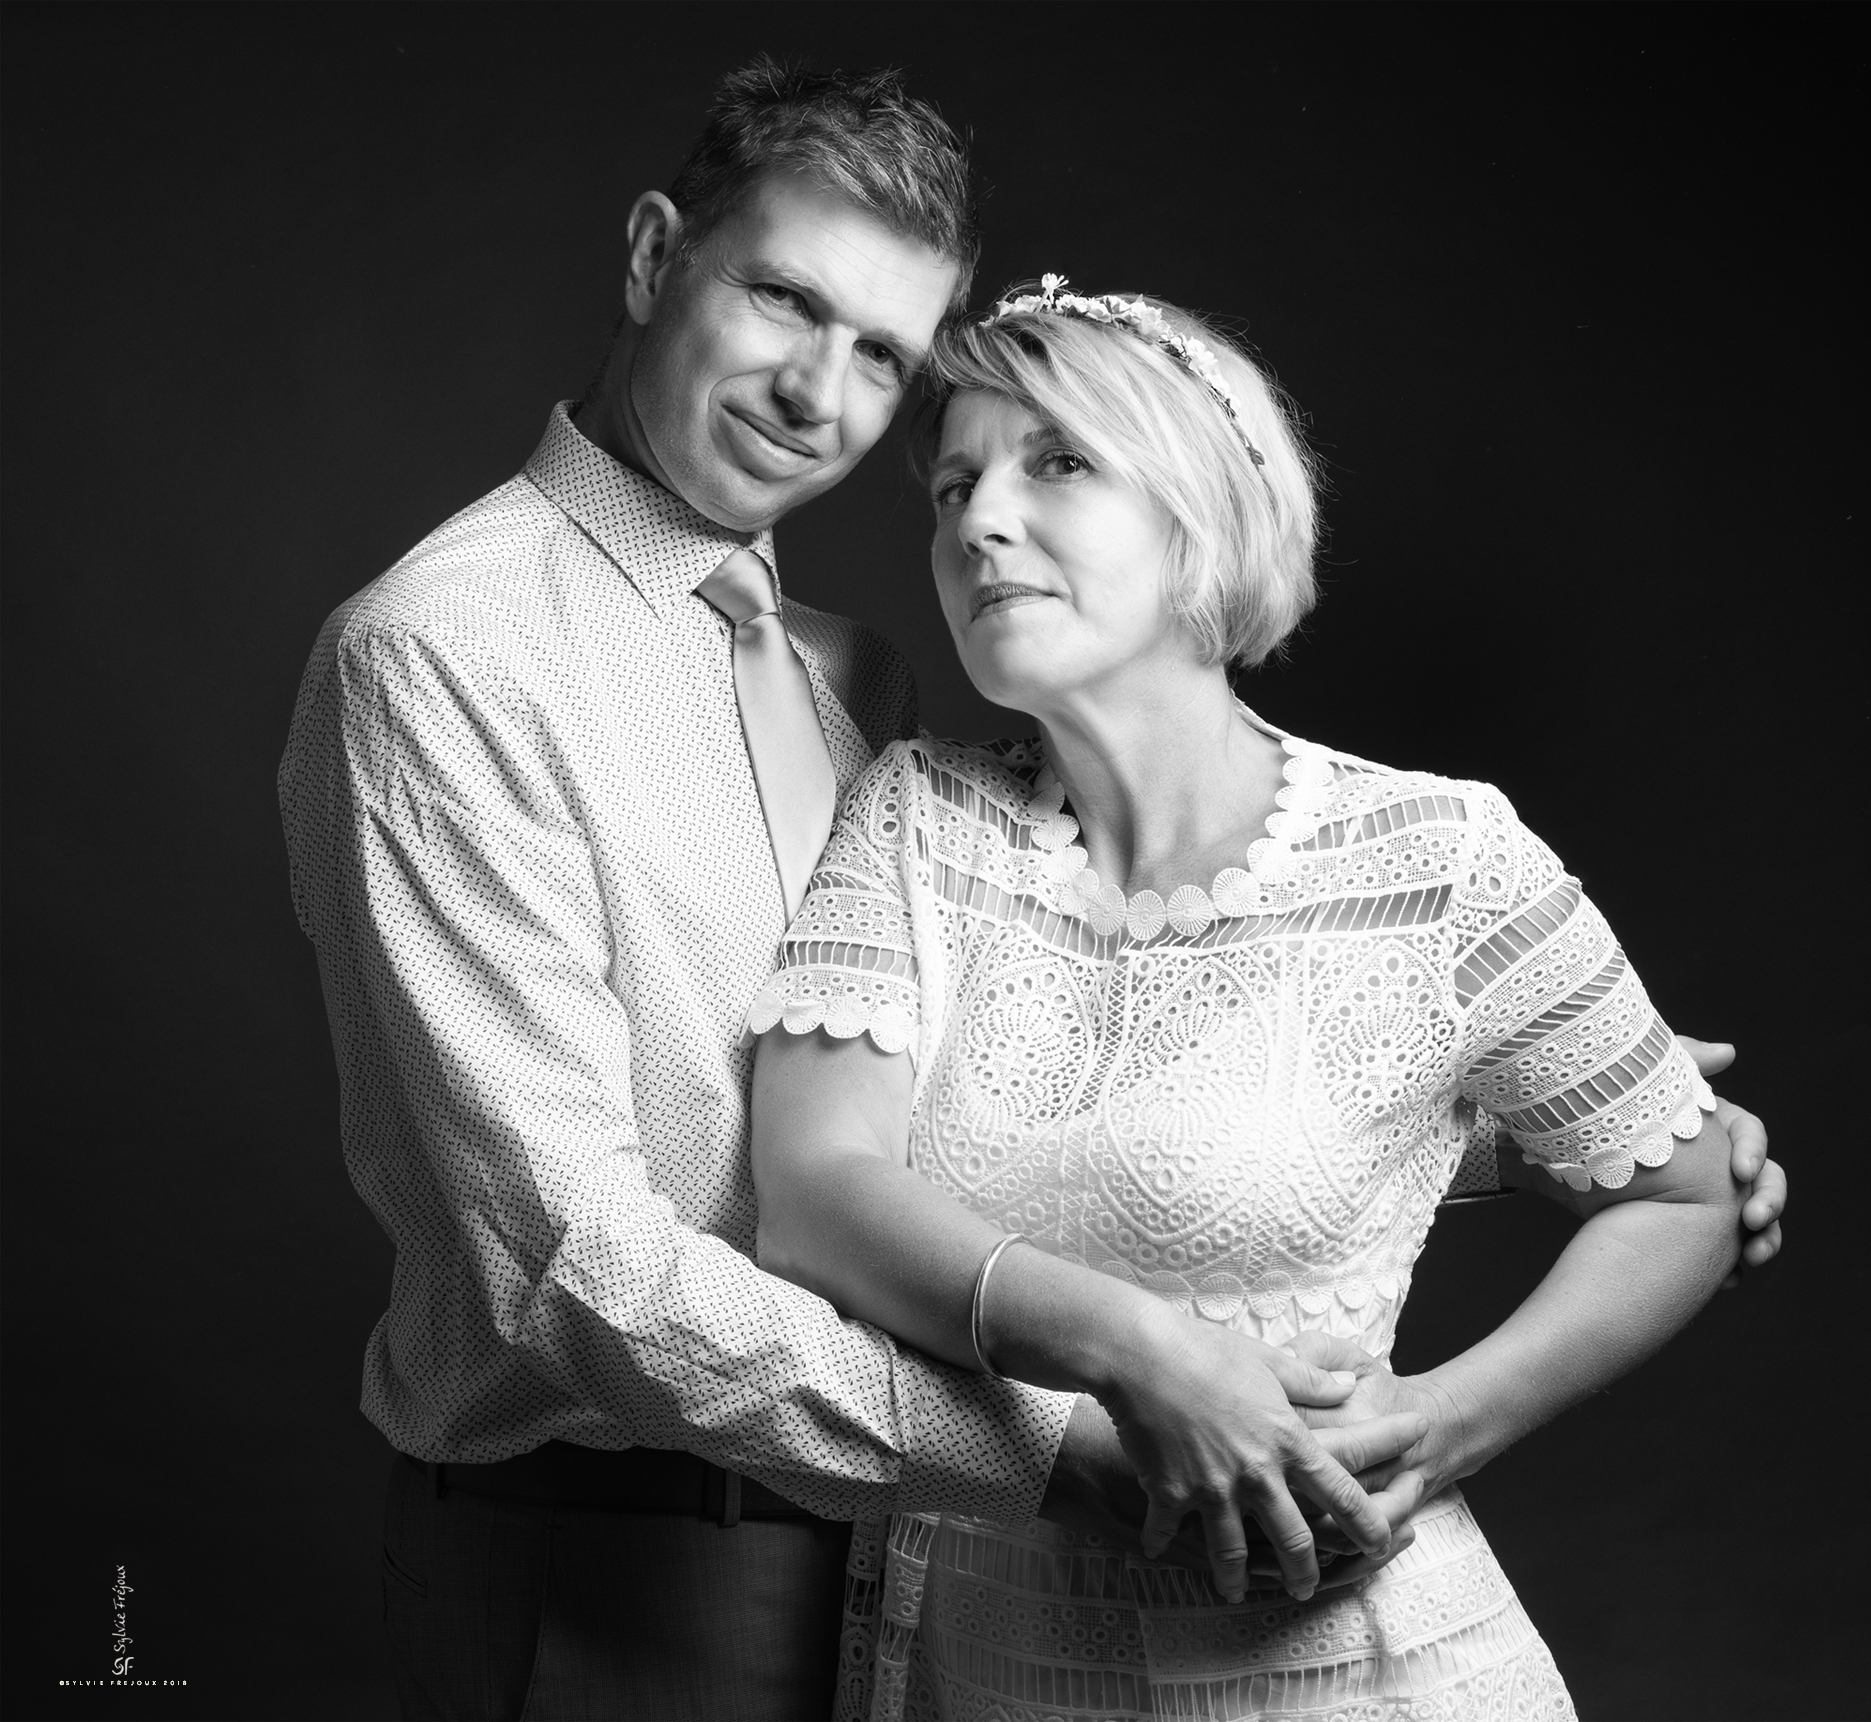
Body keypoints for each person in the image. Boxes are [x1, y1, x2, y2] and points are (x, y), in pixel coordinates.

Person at [279, 60, 1784, 1722]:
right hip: (632, 1557)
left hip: (902, 1571)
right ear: (652, 261)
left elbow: (981, 1078)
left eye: (881, 357)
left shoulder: (856, 684)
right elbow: (570, 1256)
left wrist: (1510, 1125)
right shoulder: (451, 655)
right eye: (785, 298)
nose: (821, 395)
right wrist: (1083, 1433)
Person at [748, 278, 1772, 1720]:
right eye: (956, 483)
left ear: (1204, 517)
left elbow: (1686, 1193)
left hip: (1364, 1670)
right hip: (983, 1665)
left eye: (1058, 463)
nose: (977, 521)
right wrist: (1143, 1350)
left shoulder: (1441, 855)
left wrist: (1440, 1422)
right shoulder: (915, 816)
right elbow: (811, 1189)